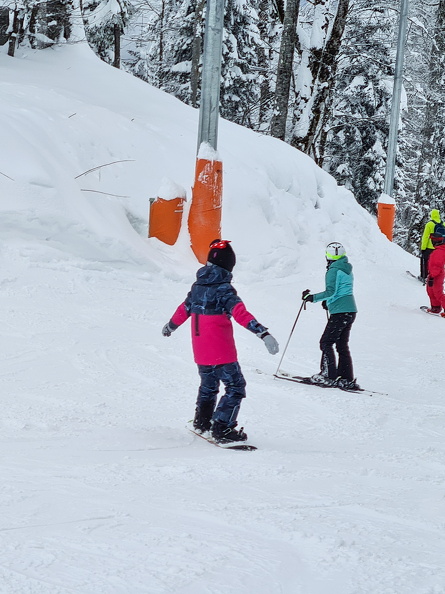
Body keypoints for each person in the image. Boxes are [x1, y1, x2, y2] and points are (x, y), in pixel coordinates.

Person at [162, 239, 279, 443]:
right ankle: (222, 428)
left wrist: (171, 325)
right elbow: (241, 313)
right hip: (221, 351)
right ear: (228, 266)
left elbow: (184, 309)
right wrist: (263, 333)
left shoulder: (198, 287)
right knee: (235, 386)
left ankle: (202, 421)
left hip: (201, 351)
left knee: (208, 385)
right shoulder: (224, 290)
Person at [301, 242, 359, 390]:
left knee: (326, 342)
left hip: (340, 311)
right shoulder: (346, 268)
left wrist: (311, 297)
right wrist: (328, 302)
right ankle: (345, 377)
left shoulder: (333, 270)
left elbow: (331, 291)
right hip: (349, 310)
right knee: (341, 345)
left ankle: (328, 375)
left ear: (328, 256)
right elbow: (341, 290)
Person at [420, 209, 443, 283]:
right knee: (437, 263)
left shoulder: (429, 224)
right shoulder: (443, 224)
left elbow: (425, 237)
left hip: (429, 247)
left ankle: (424, 277)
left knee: (425, 261)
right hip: (440, 247)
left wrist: (423, 248)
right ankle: (436, 277)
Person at [425, 233, 445, 316]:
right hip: (434, 274)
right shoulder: (439, 250)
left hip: (436, 275)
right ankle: (435, 307)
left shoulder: (439, 251)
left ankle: (437, 307)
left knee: (437, 292)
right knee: (430, 290)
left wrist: (433, 276)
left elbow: (436, 265)